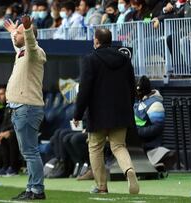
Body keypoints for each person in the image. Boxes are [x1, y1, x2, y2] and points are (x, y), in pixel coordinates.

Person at [73, 28, 139, 194]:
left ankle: (101, 186)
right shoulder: (125, 59)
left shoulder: (90, 59)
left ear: (96, 41)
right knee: (118, 146)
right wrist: (129, 108)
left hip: (98, 113)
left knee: (95, 148)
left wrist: (77, 114)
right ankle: (129, 170)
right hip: (121, 112)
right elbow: (132, 87)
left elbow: (85, 89)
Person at [3, 15, 47, 200]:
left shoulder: (34, 51)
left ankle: (36, 190)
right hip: (20, 109)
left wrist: (27, 30)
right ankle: (31, 187)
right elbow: (18, 42)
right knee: (28, 152)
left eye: (19, 34)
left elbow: (29, 42)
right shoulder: (21, 51)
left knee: (30, 151)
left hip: (27, 108)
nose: (16, 36)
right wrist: (14, 30)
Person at [134, 76, 176, 170]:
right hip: (136, 139)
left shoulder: (155, 104)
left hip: (148, 143)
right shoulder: (140, 101)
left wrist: (137, 132)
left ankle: (157, 160)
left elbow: (158, 127)